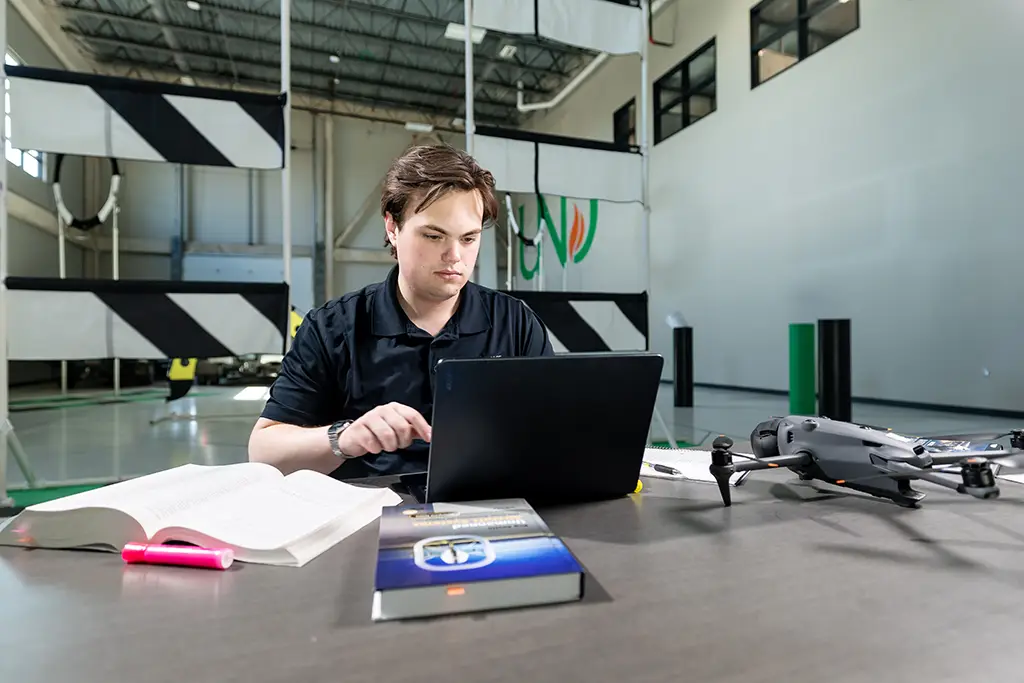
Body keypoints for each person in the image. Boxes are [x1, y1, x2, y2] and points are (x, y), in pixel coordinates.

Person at [248, 144, 554, 479]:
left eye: (468, 239)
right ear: (392, 228)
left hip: (488, 508)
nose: (455, 256)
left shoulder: (515, 323)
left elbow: (556, 432)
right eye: (434, 236)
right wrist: (345, 438)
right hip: (368, 512)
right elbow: (265, 453)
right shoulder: (331, 329)